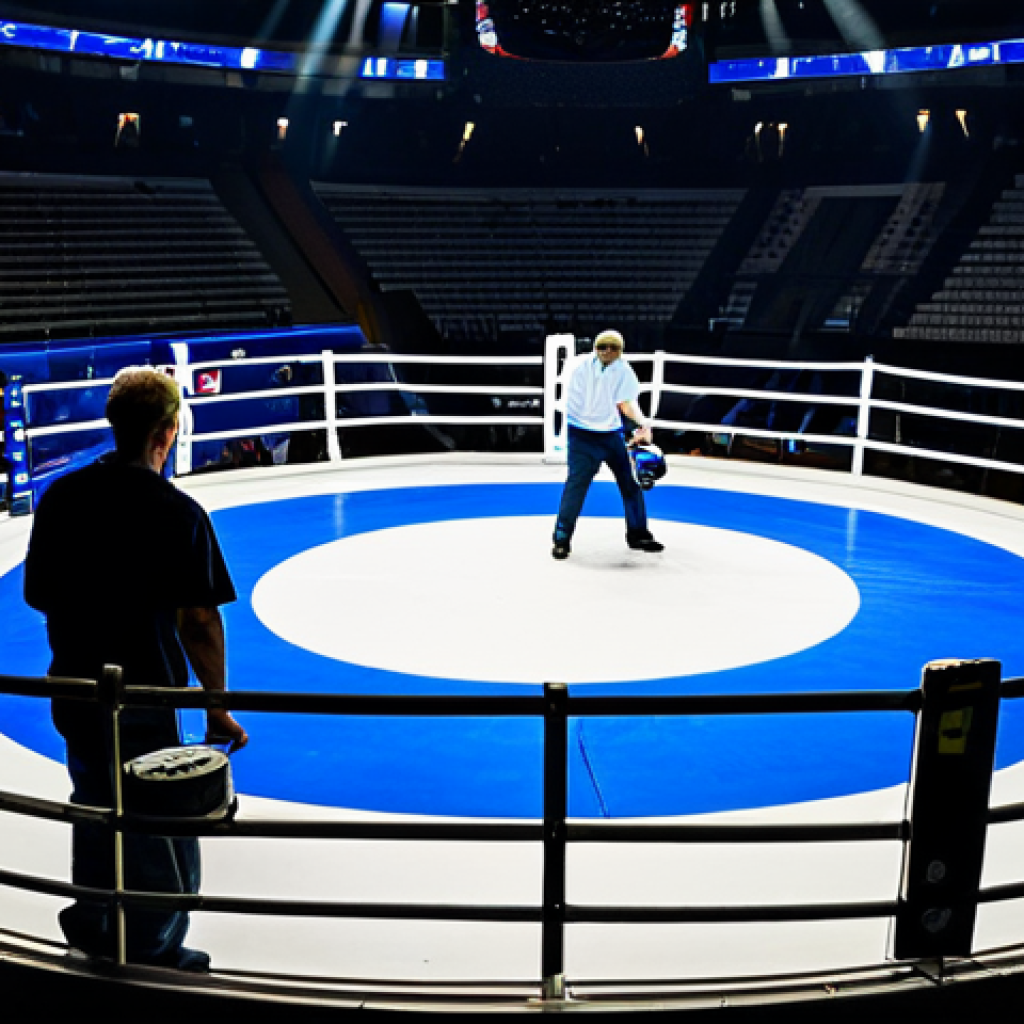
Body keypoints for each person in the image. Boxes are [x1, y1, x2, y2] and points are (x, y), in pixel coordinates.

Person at [23, 366, 248, 972]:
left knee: (94, 803)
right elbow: (199, 618)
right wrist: (215, 704)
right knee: (156, 819)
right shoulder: (179, 514)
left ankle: (94, 924)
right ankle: (151, 945)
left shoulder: (63, 498)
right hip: (146, 695)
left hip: (75, 687)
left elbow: (37, 594)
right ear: (168, 432)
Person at [552, 330, 664, 559]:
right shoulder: (577, 366)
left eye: (613, 348)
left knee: (630, 484)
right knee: (576, 486)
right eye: (603, 347)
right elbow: (572, 402)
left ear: (620, 350)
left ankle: (638, 533)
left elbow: (626, 402)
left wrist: (642, 425)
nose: (608, 352)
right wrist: (638, 426)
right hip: (582, 434)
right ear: (595, 347)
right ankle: (561, 538)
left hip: (610, 434)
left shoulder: (623, 370)